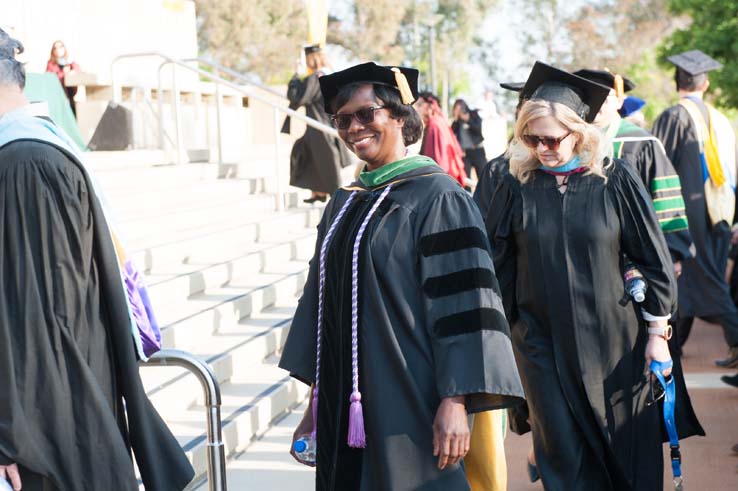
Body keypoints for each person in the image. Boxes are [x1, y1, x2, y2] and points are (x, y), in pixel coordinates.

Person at [279, 61, 525, 491]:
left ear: (399, 116)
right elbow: (322, 305)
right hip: (347, 401)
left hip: (411, 397)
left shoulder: (438, 196)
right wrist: (316, 402)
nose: (354, 127)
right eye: (342, 119)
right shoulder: (344, 202)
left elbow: (466, 306)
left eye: (366, 114)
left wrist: (455, 401)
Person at [485, 61, 703, 490]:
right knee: (562, 455)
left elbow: (654, 258)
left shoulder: (614, 180)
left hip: (615, 347)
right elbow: (499, 265)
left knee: (623, 452)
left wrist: (658, 334)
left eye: (551, 138)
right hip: (541, 344)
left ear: (578, 131)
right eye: (531, 139)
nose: (541, 147)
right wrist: (503, 337)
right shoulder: (516, 184)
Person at [0, 29, 194, 491]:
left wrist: (14, 437)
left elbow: (42, 318)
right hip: (54, 414)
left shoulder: (25, 163)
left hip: (46, 432)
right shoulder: (33, 151)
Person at [652, 50, 738, 367]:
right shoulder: (721, 119)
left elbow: (657, 166)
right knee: (692, 281)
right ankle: (675, 345)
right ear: (707, 83)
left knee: (705, 282)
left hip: (686, 216)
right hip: (721, 213)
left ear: (678, 82)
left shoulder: (674, 116)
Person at [574, 68, 694, 269]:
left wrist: (673, 252)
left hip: (633, 252)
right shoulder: (565, 143)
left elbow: (666, 198)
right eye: (587, 96)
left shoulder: (641, 142)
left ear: (619, 102)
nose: (595, 104)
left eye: (604, 98)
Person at [284, 44, 352, 203]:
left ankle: (336, 195)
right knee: (309, 153)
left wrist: (296, 75)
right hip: (327, 122)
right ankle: (319, 192)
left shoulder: (316, 77)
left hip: (320, 124)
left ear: (310, 60)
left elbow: (297, 97)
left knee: (325, 157)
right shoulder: (330, 76)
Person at [415, 92, 468, 187]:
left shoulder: (434, 126)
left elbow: (438, 160)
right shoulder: (438, 121)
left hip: (441, 181)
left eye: (420, 105)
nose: (417, 108)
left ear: (430, 106)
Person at [452, 98, 486, 180]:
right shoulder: (457, 122)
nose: (460, 111)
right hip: (465, 153)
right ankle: (467, 193)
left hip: (478, 150)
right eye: (457, 109)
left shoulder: (473, 114)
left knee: (483, 177)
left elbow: (478, 130)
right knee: (466, 179)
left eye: (461, 108)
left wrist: (468, 120)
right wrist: (456, 118)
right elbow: (452, 134)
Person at [45, 40, 80, 115]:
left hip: (70, 95)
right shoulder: (51, 63)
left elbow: (78, 70)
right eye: (55, 48)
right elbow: (49, 78)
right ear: (53, 50)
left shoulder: (69, 61)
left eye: (60, 47)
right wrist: (63, 73)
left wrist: (72, 72)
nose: (58, 49)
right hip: (58, 96)